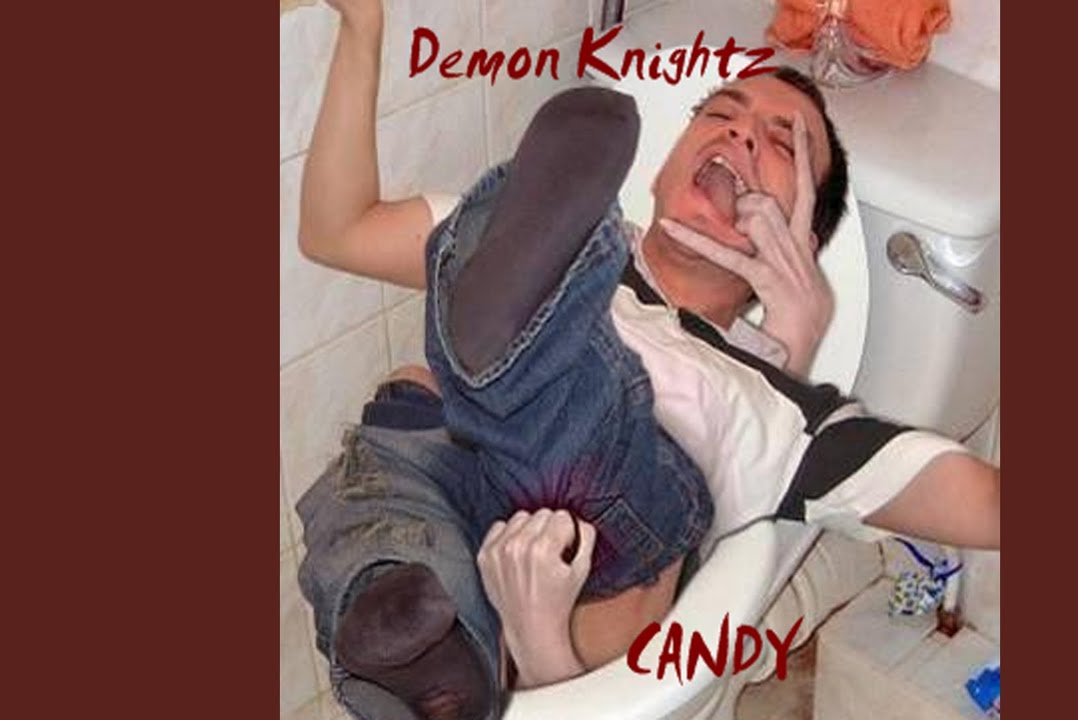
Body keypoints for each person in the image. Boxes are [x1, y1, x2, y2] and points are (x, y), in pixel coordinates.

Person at [294, 1, 1000, 718]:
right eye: (719, 113)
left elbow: (981, 502)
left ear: (801, 238)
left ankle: (522, 359)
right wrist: (363, 29)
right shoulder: (559, 237)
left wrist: (541, 640)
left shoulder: (767, 405)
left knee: (614, 432)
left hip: (590, 536)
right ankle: (437, 662)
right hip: (465, 503)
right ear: (661, 171)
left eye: (782, 145)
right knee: (394, 440)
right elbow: (336, 231)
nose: (739, 132)